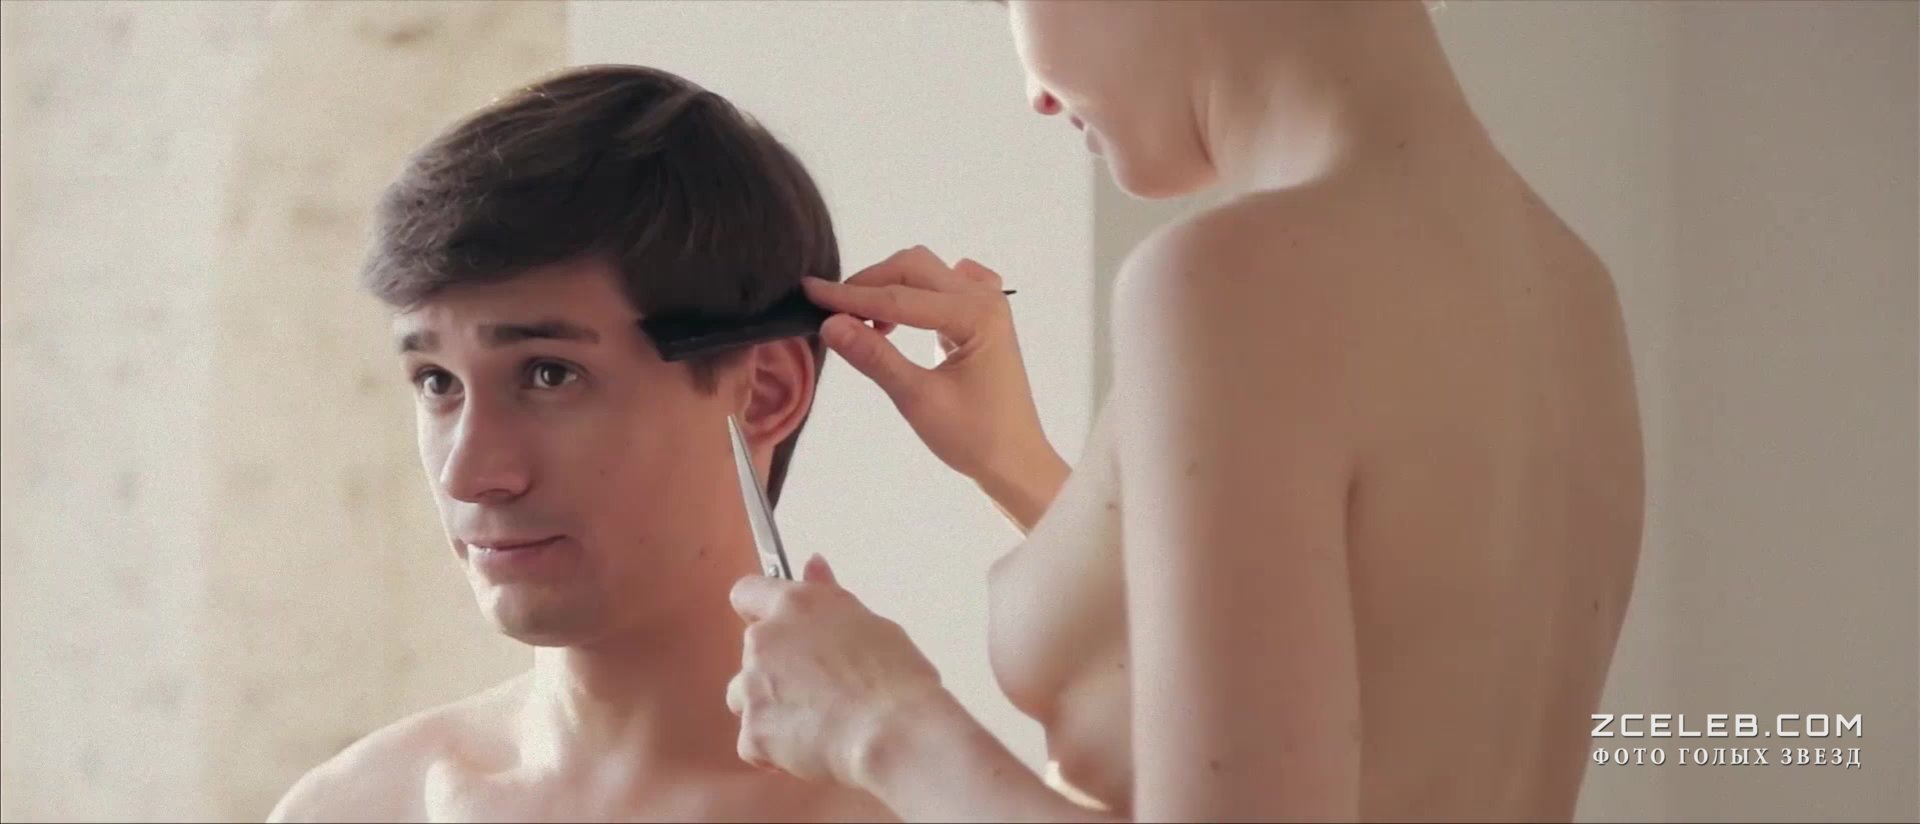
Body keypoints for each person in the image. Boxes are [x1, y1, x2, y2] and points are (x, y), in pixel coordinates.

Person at [723, 1, 1646, 821]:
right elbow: (1359, 683)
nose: (1034, 93)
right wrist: (1014, 460)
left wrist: (878, 722)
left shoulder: (1235, 282)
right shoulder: (1571, 289)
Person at [268, 64, 893, 823]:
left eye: (549, 373)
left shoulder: (905, 810)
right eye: (436, 382)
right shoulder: (357, 807)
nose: (469, 474)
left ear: (764, 391)